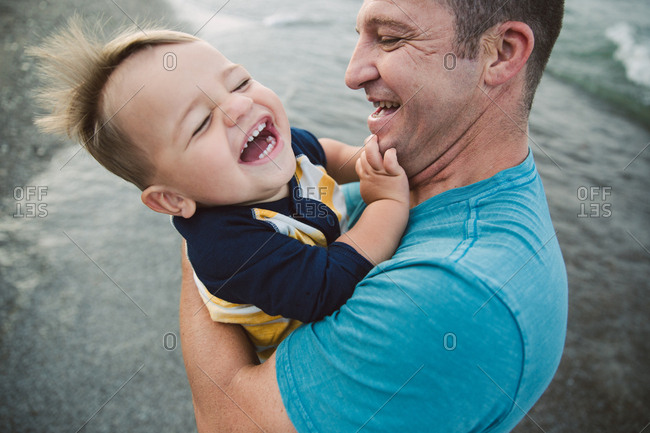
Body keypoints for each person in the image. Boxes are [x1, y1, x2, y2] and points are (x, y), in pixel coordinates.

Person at [179, 0, 569, 432]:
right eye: (360, 36)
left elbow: (225, 422)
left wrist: (206, 225)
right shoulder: (423, 173)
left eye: (390, 38)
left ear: (501, 53)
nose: (352, 74)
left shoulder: (449, 297)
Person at [30, 21, 410, 360]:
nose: (240, 106)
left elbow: (325, 152)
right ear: (172, 198)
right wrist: (387, 201)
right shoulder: (226, 246)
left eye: (239, 82)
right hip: (296, 344)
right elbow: (329, 284)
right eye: (199, 123)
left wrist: (368, 161)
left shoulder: (276, 144)